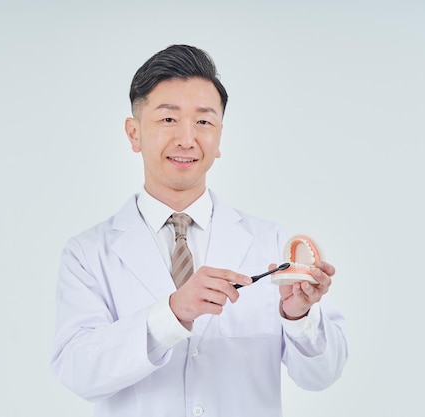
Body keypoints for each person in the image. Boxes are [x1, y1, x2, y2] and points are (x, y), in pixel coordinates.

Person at [51, 44, 347, 417]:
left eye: (204, 121)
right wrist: (172, 313)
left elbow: (323, 375)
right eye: (168, 119)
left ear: (220, 136)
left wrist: (298, 317)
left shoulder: (269, 244)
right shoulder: (89, 254)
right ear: (134, 133)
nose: (187, 139)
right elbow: (79, 371)